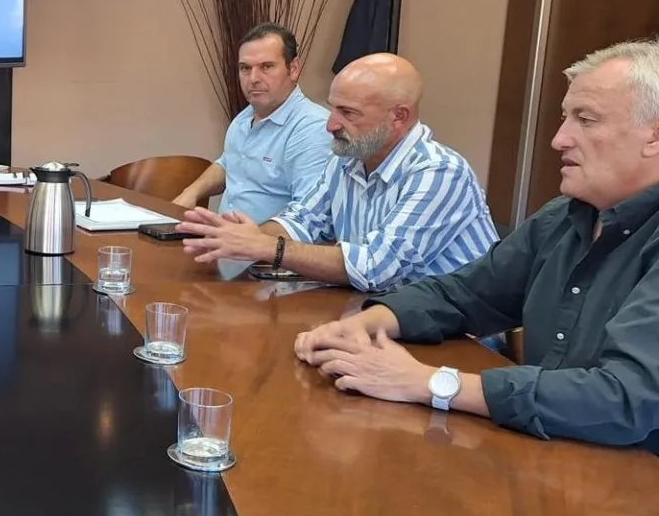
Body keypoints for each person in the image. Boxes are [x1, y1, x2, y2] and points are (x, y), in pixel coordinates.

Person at [294, 39, 659, 452]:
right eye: (565, 118)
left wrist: (429, 383)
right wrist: (364, 324)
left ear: (654, 136)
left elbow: (626, 398)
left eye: (586, 120)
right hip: (545, 453)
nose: (559, 139)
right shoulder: (563, 218)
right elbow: (465, 293)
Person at [177, 53, 499, 292]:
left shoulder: (439, 172)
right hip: (381, 316)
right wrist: (241, 239)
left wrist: (267, 248)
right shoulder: (347, 159)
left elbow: (376, 267)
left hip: (461, 341)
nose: (331, 125)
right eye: (332, 108)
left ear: (398, 117)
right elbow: (302, 220)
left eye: (348, 113)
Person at [171, 23, 332, 221]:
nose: (253, 78)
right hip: (221, 236)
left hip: (266, 240)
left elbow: (306, 217)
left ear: (293, 68)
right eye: (245, 68)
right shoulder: (245, 117)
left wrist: (245, 237)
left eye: (266, 67)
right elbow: (228, 163)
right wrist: (191, 192)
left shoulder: (313, 128)